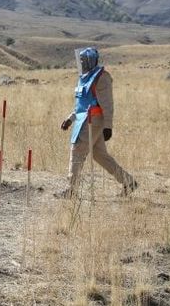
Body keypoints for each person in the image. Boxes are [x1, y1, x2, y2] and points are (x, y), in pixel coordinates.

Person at [58, 47, 138, 199]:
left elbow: (107, 104)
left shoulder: (101, 77)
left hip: (92, 121)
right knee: (99, 155)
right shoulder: (84, 77)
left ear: (90, 60)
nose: (81, 63)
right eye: (80, 60)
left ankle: (71, 190)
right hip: (84, 120)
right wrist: (70, 118)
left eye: (83, 60)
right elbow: (82, 105)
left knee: (77, 150)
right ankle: (129, 182)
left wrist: (108, 126)